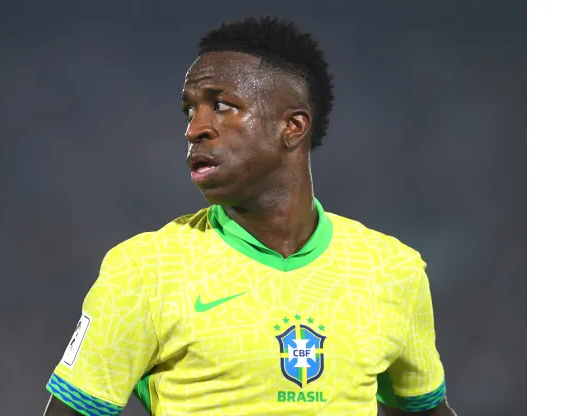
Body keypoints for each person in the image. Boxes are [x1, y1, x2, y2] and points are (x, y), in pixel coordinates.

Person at [42, 16, 456, 416]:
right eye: (191, 110)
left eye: (221, 106)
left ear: (292, 127)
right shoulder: (146, 270)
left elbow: (423, 409)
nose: (194, 129)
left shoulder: (392, 270)